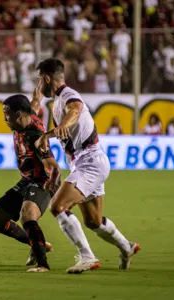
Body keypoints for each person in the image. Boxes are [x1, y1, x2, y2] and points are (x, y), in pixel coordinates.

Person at [34, 58, 139, 274]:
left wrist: (63, 124)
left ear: (46, 78)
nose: (38, 85)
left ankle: (87, 256)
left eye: (38, 80)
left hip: (89, 162)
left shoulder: (67, 95)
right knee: (93, 221)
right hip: (86, 162)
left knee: (57, 207)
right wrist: (51, 134)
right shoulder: (56, 102)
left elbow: (76, 109)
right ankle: (126, 247)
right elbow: (65, 127)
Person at [0, 94, 61, 273]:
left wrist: (53, 187)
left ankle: (43, 264)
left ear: (18, 115)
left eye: (6, 114)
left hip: (42, 181)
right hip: (27, 180)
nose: (4, 119)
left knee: (27, 215)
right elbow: (33, 105)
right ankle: (37, 244)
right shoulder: (25, 117)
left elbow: (54, 167)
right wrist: (38, 96)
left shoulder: (35, 135)